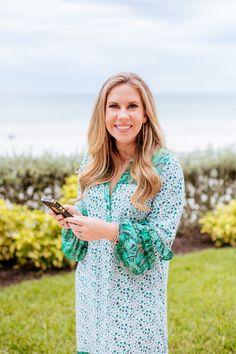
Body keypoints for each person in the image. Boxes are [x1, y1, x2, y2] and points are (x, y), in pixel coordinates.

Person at [50, 72, 185, 353]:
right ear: (103, 112)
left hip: (136, 300)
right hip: (93, 293)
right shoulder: (93, 160)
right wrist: (75, 216)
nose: (122, 115)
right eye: (114, 106)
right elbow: (90, 213)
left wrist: (109, 232)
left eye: (132, 106)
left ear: (146, 113)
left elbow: (161, 239)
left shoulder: (165, 166)